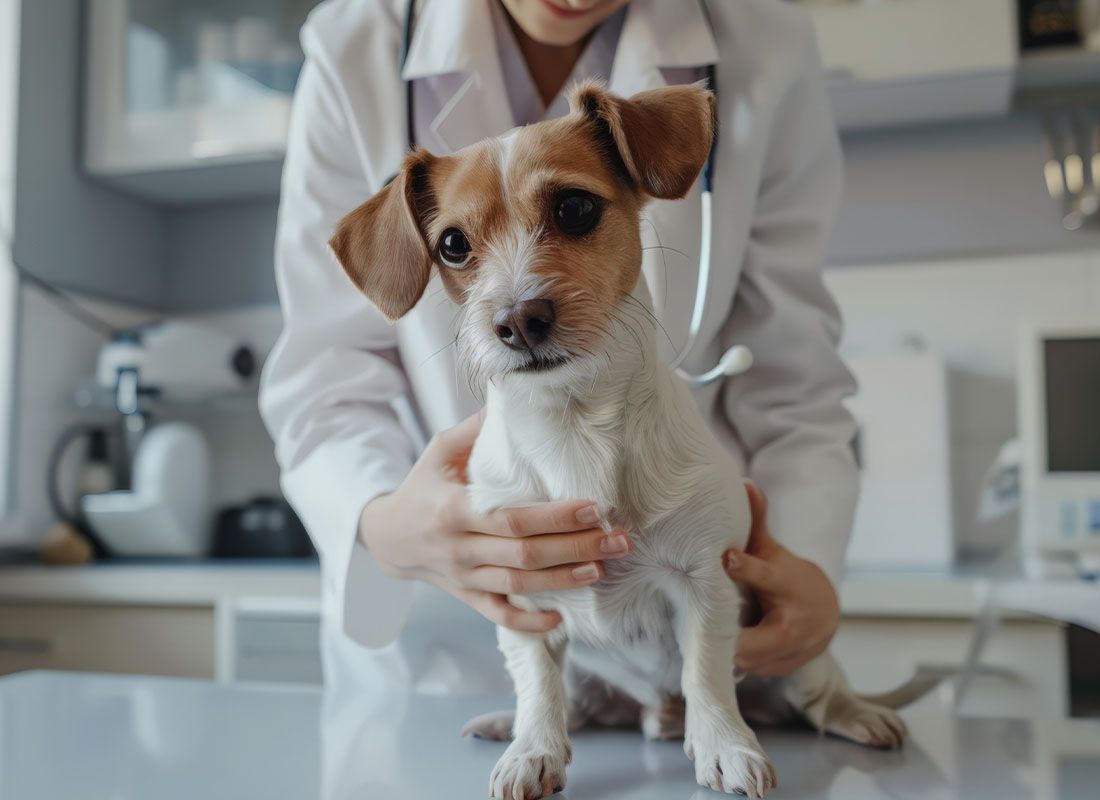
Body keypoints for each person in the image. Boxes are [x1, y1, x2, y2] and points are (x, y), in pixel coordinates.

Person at [260, 0, 858, 689]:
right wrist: (385, 527)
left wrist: (803, 571)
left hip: (699, 615)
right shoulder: (358, 42)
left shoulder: (760, 38)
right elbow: (324, 376)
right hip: (467, 645)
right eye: (456, 245)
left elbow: (793, 371)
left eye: (573, 211)